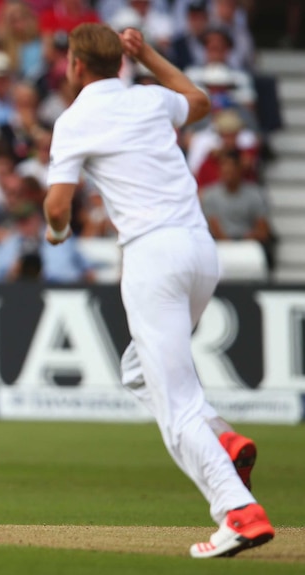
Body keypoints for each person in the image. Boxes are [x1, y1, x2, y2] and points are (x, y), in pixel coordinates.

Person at [42, 23, 273, 558]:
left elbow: (57, 206)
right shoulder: (149, 98)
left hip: (153, 257)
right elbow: (199, 100)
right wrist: (149, 54)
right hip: (201, 250)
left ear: (76, 66)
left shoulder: (75, 119)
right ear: (121, 63)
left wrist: (58, 234)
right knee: (139, 370)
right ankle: (223, 439)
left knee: (176, 405)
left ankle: (237, 511)